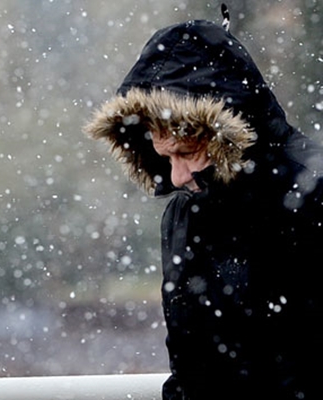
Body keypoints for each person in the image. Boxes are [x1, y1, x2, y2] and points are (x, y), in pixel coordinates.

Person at [84, 5, 323, 400]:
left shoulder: (312, 198)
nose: (176, 177)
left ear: (227, 130)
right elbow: (191, 369)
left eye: (187, 152)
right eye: (166, 157)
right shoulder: (186, 215)